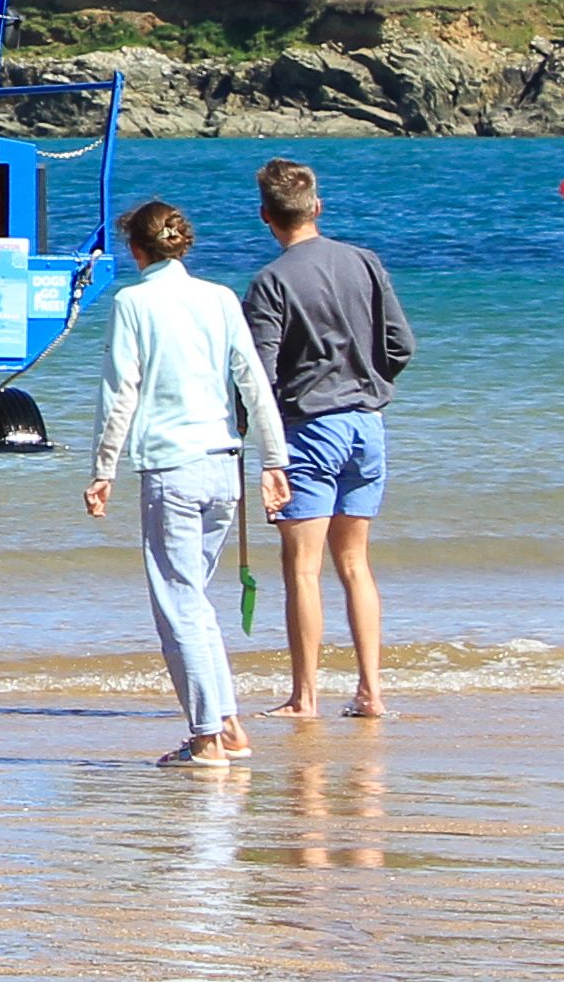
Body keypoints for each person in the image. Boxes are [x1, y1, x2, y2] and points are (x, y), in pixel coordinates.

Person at [86, 199, 290, 769]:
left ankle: (205, 740)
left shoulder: (133, 302)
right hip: (224, 466)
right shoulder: (220, 298)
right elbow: (253, 382)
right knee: (194, 600)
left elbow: (119, 391)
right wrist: (275, 461)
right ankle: (228, 725)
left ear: (137, 250)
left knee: (178, 604)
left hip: (171, 468)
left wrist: (103, 470)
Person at [243, 158, 415, 721]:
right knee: (356, 565)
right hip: (368, 423)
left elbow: (258, 375)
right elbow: (401, 344)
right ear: (316, 207)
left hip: (310, 426)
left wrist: (254, 441)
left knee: (302, 569)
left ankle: (305, 697)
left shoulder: (271, 282)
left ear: (267, 216)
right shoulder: (364, 262)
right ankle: (371, 691)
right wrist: (371, 381)